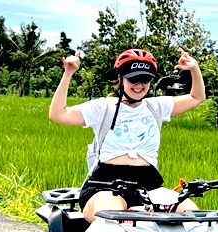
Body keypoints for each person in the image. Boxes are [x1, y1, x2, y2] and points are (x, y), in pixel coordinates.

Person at [49, 47, 206, 222]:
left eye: (145, 79)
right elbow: (58, 114)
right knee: (111, 213)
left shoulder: (157, 107)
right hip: (105, 185)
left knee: (191, 214)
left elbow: (197, 97)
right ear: (120, 78)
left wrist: (194, 68)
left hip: (148, 185)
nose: (139, 84)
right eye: (133, 78)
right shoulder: (104, 107)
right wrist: (68, 73)